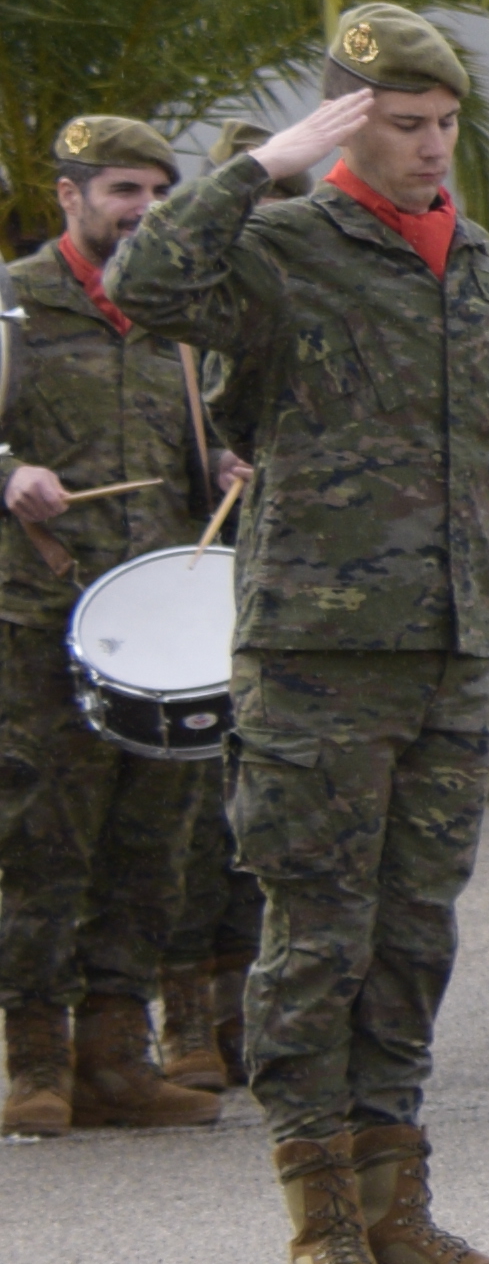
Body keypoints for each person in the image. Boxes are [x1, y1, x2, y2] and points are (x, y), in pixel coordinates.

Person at [117, 5, 489, 1264]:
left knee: (413, 933)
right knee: (317, 936)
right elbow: (144, 287)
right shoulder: (283, 245)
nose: (432, 147)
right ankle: (323, 1229)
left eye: (445, 124)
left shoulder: (474, 259)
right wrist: (264, 165)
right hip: (316, 648)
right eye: (404, 124)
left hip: (448, 644)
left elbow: (479, 458)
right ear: (349, 122)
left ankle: (399, 1211)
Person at [2, 112, 238, 1138]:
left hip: (164, 630)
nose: (144, 210)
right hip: (42, 615)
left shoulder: (177, 316)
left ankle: (116, 1056)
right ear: (71, 195)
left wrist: (223, 463)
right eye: (123, 191)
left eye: (158, 192)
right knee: (41, 839)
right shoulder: (15, 302)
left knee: (153, 844)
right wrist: (10, 474)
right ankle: (34, 1060)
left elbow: (203, 441)